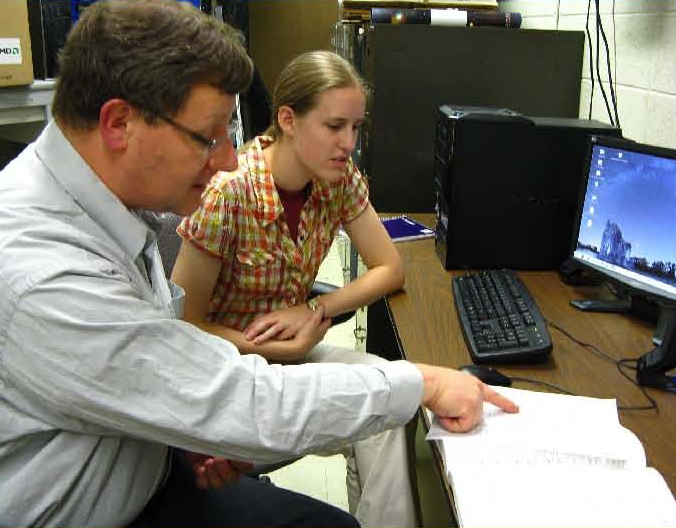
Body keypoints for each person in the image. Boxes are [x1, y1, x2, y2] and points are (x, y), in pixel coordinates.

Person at [0, 1, 518, 526]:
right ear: (118, 123)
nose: (227, 159)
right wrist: (425, 383)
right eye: (209, 137)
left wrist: (179, 431)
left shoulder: (103, 202)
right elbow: (236, 396)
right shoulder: (42, 272)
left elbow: (151, 362)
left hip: (150, 453)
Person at [170, 50, 409, 526]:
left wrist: (316, 310)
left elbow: (390, 267)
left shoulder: (337, 181)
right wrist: (273, 348)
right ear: (288, 120)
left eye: (356, 128)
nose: (348, 143)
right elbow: (182, 325)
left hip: (293, 358)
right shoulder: (228, 192)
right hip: (227, 375)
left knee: (390, 404)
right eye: (334, 126)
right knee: (378, 409)